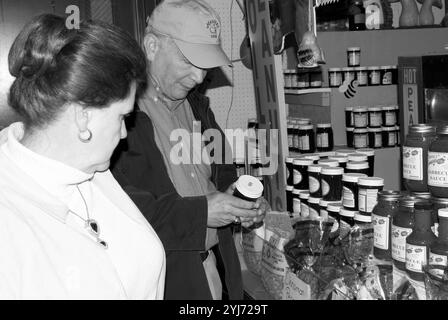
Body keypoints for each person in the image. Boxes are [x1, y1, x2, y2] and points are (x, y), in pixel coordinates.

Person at [110, 0, 268, 300]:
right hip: (166, 282)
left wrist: (240, 202)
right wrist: (201, 213)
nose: (198, 78)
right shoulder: (117, 117)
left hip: (215, 272)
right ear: (152, 46)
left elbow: (222, 172)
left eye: (205, 65)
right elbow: (118, 211)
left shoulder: (197, 106)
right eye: (188, 61)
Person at [0, 14, 165, 299]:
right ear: (83, 117)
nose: (125, 133)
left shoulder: (91, 168)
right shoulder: (9, 223)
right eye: (121, 117)